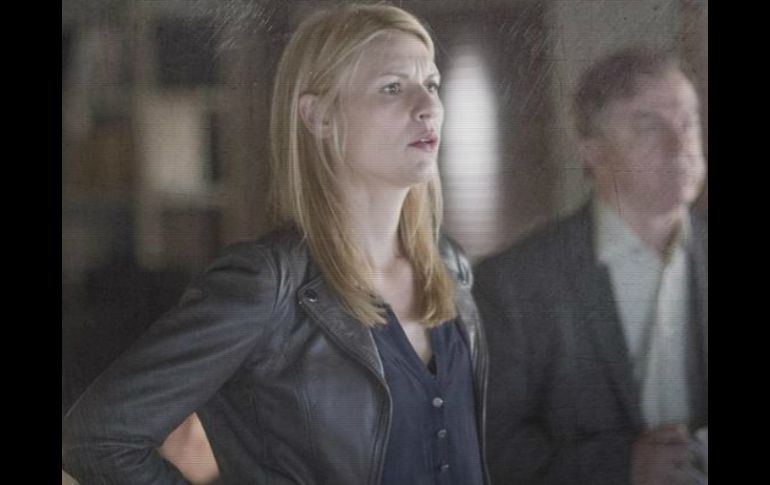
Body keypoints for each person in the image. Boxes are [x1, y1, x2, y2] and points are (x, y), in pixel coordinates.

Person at [61, 4, 490, 484]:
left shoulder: (449, 266)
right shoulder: (267, 286)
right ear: (318, 115)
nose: (428, 106)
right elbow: (98, 439)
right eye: (392, 87)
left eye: (431, 84)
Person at [473, 46, 707, 485]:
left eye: (688, 123)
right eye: (649, 126)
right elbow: (489, 446)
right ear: (593, 151)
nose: (680, 147)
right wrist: (620, 466)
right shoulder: (511, 284)